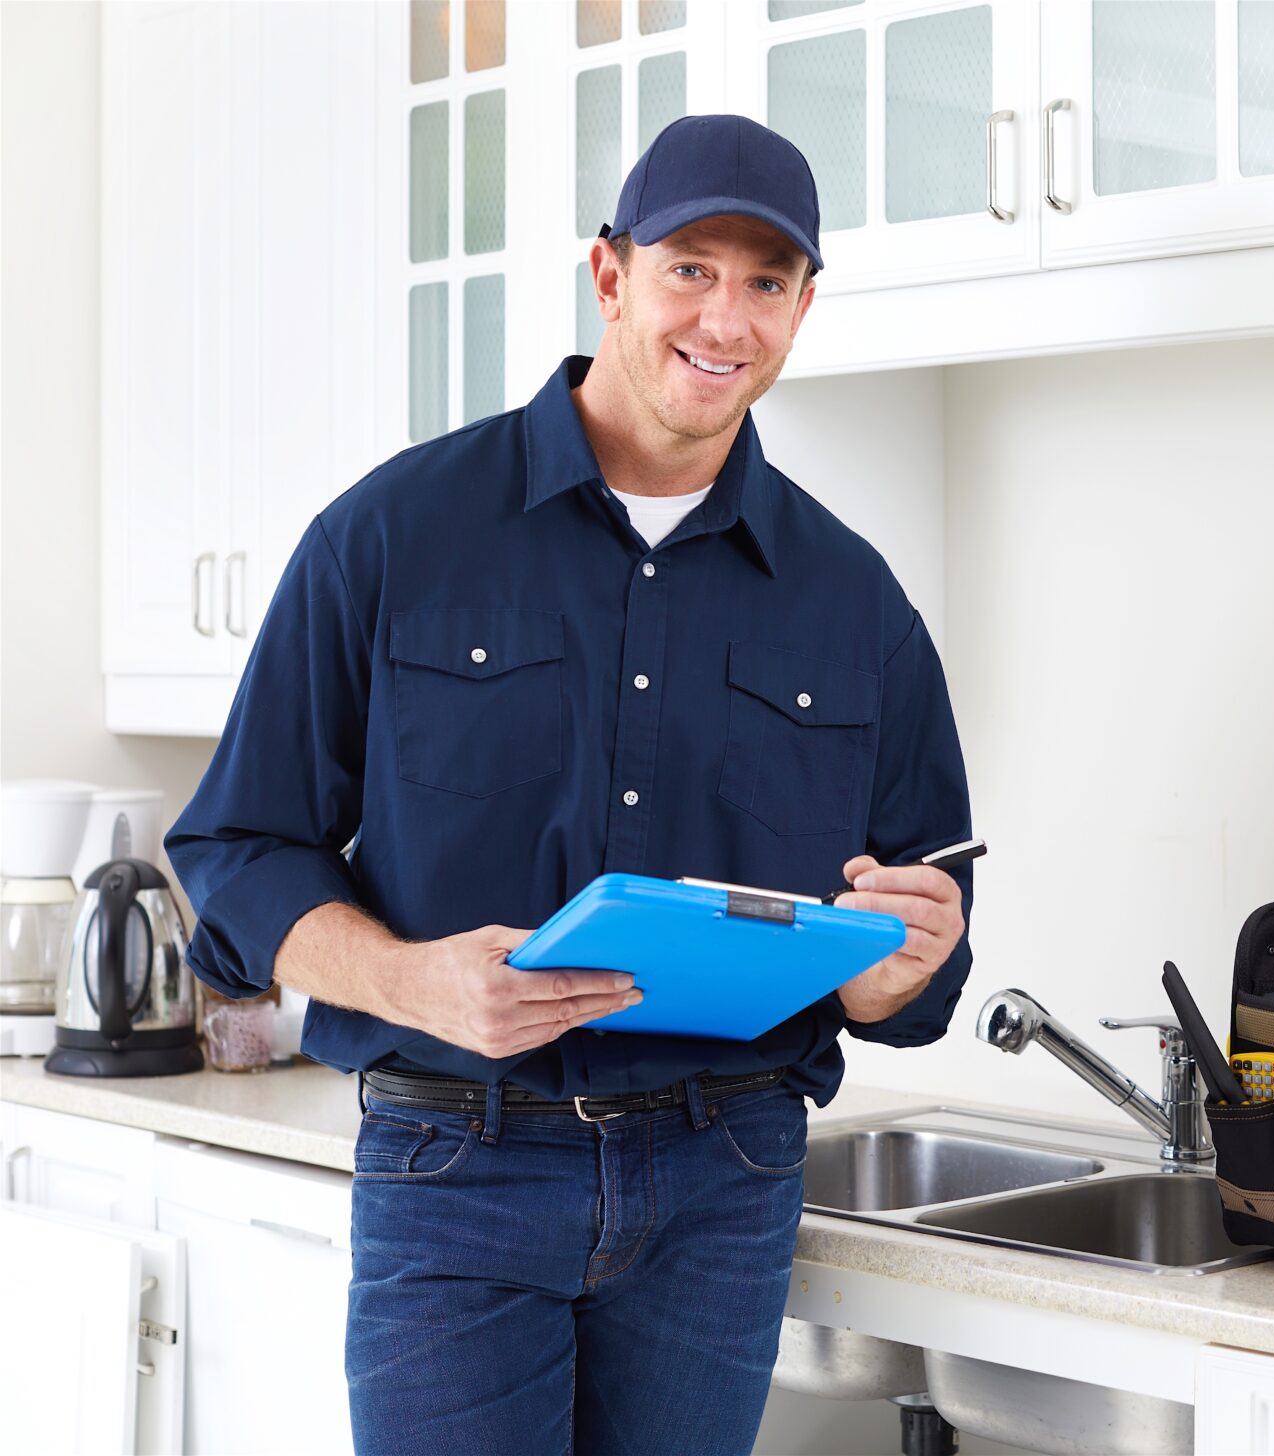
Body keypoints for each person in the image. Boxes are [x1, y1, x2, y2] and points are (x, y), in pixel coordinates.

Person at [164, 114, 974, 1455]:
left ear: (804, 307)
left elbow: (910, 947)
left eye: (768, 281)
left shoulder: (855, 602)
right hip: (457, 1165)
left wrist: (900, 966)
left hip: (729, 1184)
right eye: (690, 268)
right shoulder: (393, 534)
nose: (728, 316)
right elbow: (243, 847)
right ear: (611, 276)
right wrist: (413, 980)